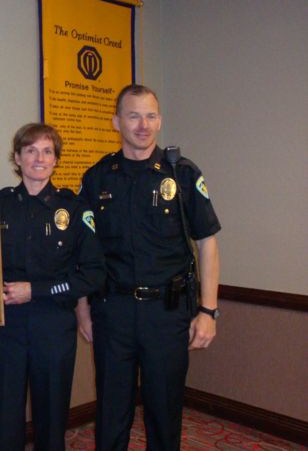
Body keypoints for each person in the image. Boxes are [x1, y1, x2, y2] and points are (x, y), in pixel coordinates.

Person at [77, 84, 221, 451]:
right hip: (114, 313)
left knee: (165, 414)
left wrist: (208, 311)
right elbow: (84, 253)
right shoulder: (97, 178)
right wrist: (83, 312)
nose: (143, 125)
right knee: (111, 415)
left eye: (151, 115)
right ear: (116, 122)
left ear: (160, 120)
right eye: (133, 115)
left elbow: (207, 243)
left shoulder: (183, 175)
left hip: (167, 313)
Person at [0, 123, 106, 451]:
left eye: (47, 151)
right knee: (6, 419)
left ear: (56, 160)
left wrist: (34, 291)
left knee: (51, 422)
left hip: (53, 326)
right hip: (5, 328)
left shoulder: (76, 209)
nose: (39, 158)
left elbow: (92, 275)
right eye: (31, 151)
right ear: (18, 158)